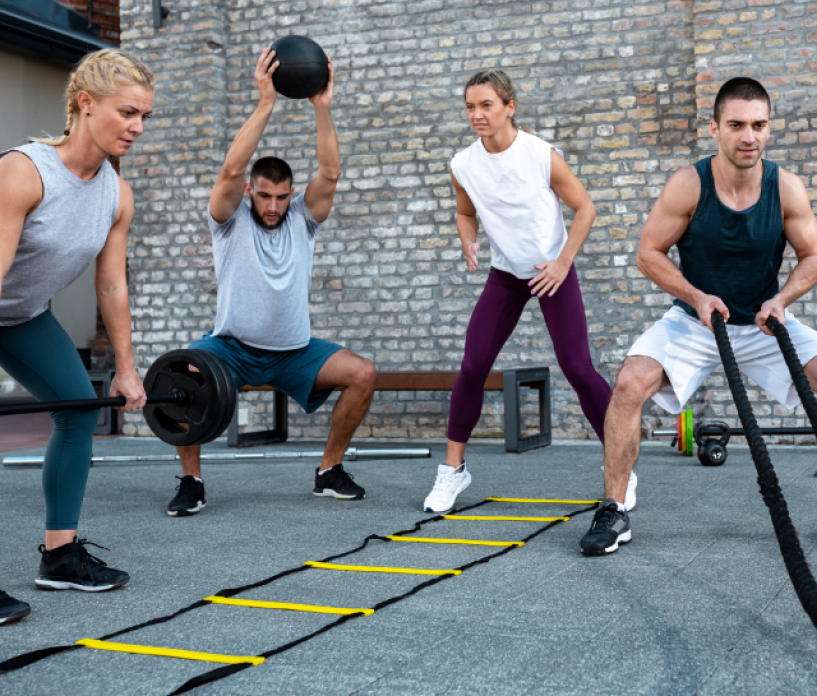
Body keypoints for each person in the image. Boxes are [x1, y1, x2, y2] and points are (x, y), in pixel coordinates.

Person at [579, 77, 817, 556]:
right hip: (696, 321)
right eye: (736, 124)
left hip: (762, 321)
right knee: (629, 385)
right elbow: (648, 253)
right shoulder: (689, 184)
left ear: (769, 129)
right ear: (716, 128)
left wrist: (783, 300)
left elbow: (813, 256)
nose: (748, 136)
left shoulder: (786, 187)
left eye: (758, 125)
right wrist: (695, 295)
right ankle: (613, 510)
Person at [166, 47, 376, 516]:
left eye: (282, 196)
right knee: (180, 375)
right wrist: (265, 104)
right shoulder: (229, 219)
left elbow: (331, 172)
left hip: (294, 352)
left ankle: (329, 471)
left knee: (362, 373)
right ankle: (191, 480)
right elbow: (229, 170)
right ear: (250, 192)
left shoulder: (303, 217)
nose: (274, 206)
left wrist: (321, 108)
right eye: (265, 196)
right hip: (233, 347)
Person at [423, 69, 628, 513]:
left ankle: (619, 467)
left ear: (509, 107)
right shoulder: (463, 165)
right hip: (506, 273)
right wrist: (468, 239)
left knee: (578, 367)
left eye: (486, 105)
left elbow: (585, 207)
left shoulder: (540, 155)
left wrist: (562, 262)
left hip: (551, 269)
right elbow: (465, 213)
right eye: (470, 107)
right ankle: (453, 472)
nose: (477, 115)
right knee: (473, 364)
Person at [0, 49, 154, 619]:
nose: (137, 127)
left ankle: (60, 559)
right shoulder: (25, 170)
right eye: (128, 112)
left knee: (79, 411)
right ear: (86, 104)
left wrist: (128, 365)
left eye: (145, 116)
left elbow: (111, 288)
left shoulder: (116, 193)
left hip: (20, 317)